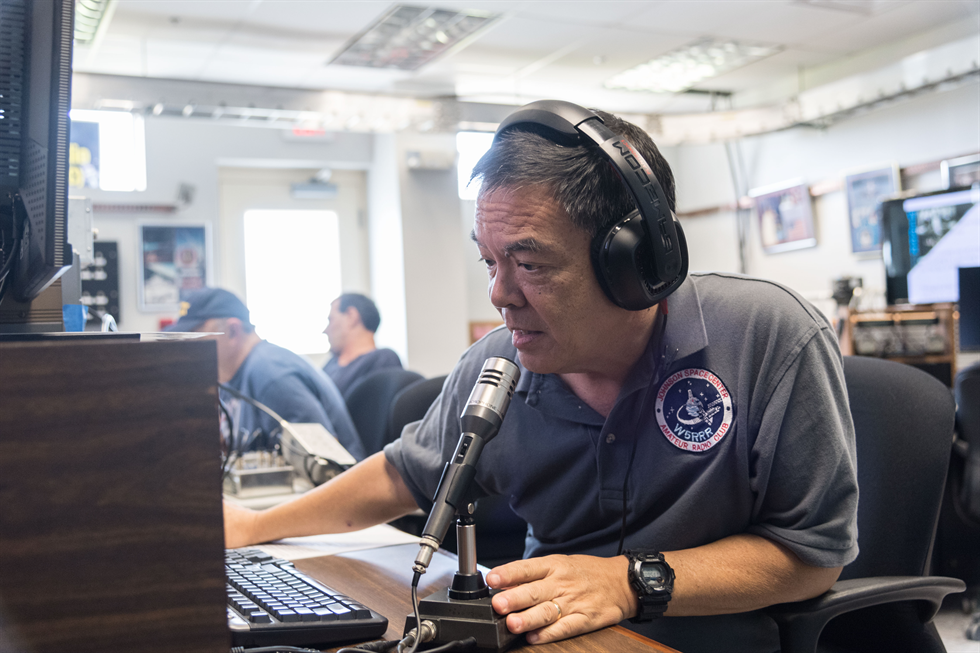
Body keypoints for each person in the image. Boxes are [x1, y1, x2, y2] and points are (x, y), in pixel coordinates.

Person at [223, 105, 857, 653]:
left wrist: (628, 580)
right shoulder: (498, 364)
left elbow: (810, 557)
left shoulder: (769, 337)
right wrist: (256, 528)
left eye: (527, 263)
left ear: (633, 261)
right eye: (489, 261)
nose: (500, 294)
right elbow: (401, 474)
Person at [171, 287, 366, 461]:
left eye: (196, 336)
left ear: (232, 331)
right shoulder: (232, 376)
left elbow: (325, 462)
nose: (188, 347)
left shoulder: (271, 374)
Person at [322, 293, 403, 396]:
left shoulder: (382, 359)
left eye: (331, 320)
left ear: (351, 316)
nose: (325, 331)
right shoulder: (331, 364)